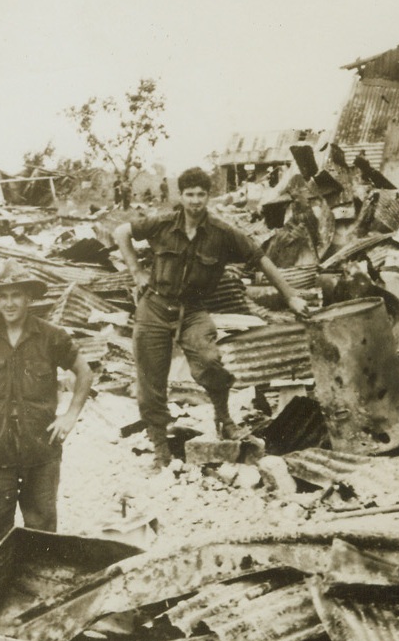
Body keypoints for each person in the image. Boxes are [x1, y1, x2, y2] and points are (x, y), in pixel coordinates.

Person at [113, 167, 309, 466]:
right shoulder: (163, 223)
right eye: (189, 195)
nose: (195, 201)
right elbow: (121, 232)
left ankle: (223, 416)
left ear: (209, 196)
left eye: (201, 195)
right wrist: (136, 271)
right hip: (154, 305)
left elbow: (260, 258)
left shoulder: (222, 232)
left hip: (193, 309)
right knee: (150, 379)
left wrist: (290, 294)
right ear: (181, 196)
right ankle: (160, 448)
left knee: (209, 360)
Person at [0, 261, 93, 559]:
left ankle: (37, 584)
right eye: (3, 296)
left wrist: (70, 415)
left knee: (41, 527)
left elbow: (85, 373)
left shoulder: (51, 335)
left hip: (41, 447)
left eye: (16, 295)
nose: (9, 303)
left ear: (29, 298)